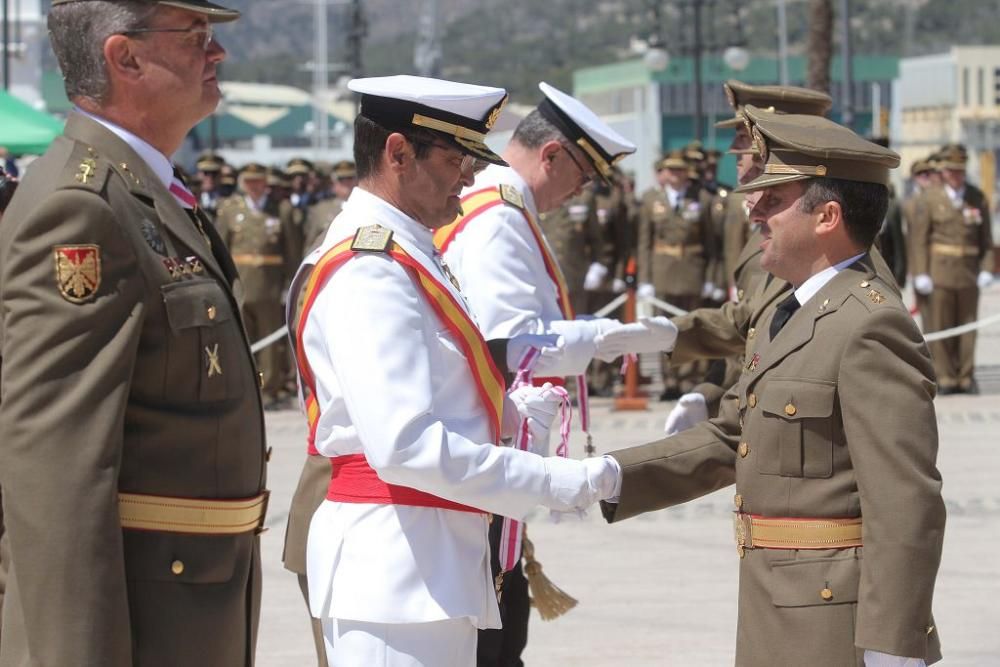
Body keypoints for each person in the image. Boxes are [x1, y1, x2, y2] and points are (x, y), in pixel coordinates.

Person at [598, 106, 946, 667]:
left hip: (835, 622)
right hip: (776, 601)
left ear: (827, 216)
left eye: (774, 200)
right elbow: (733, 434)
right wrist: (606, 475)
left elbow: (906, 500)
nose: (753, 210)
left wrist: (892, 643)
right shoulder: (791, 309)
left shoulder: (868, 323)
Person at [293, 75, 619, 667]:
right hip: (396, 566)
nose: (470, 175)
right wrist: (548, 480)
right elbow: (403, 445)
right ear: (397, 153)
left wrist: (508, 414)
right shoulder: (373, 267)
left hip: (427, 556)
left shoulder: (409, 251)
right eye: (455, 157)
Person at [0, 1, 269, 665]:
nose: (217, 54)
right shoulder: (81, 208)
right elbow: (58, 479)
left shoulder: (143, 189)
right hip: (149, 622)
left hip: (193, 605)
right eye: (196, 36)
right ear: (125, 58)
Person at [435, 82, 677, 667]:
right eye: (583, 177)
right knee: (494, 640)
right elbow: (509, 345)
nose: (580, 193)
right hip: (482, 451)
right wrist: (605, 339)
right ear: (551, 156)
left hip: (484, 450)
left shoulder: (499, 205)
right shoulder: (499, 218)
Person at [664, 79, 833, 432]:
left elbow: (763, 328)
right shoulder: (765, 212)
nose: (733, 152)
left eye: (744, 140)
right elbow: (754, 328)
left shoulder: (807, 226)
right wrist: (710, 392)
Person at [215, 161, 302, 408]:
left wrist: (291, 283)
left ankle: (268, 390)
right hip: (240, 283)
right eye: (250, 181)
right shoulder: (230, 209)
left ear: (266, 183)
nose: (255, 186)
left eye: (259, 181)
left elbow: (292, 250)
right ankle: (245, 387)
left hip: (270, 285)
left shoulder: (280, 210)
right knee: (242, 339)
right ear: (243, 183)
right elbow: (222, 247)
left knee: (270, 342)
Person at [910, 144, 994, 394]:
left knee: (968, 327)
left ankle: (966, 377)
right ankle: (946, 377)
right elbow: (919, 240)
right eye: (951, 170)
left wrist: (987, 268)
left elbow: (986, 239)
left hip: (968, 271)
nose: (956, 175)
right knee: (941, 326)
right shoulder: (929, 199)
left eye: (960, 170)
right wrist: (921, 272)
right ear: (944, 172)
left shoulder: (977, 197)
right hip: (939, 271)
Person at [636, 148, 717, 399]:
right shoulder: (651, 200)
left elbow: (711, 242)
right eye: (671, 170)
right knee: (664, 329)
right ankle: (669, 380)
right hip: (662, 270)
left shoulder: (701, 198)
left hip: (691, 269)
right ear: (665, 173)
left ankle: (688, 378)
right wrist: (645, 279)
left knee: (689, 328)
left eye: (680, 170)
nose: (676, 175)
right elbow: (644, 243)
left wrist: (712, 277)